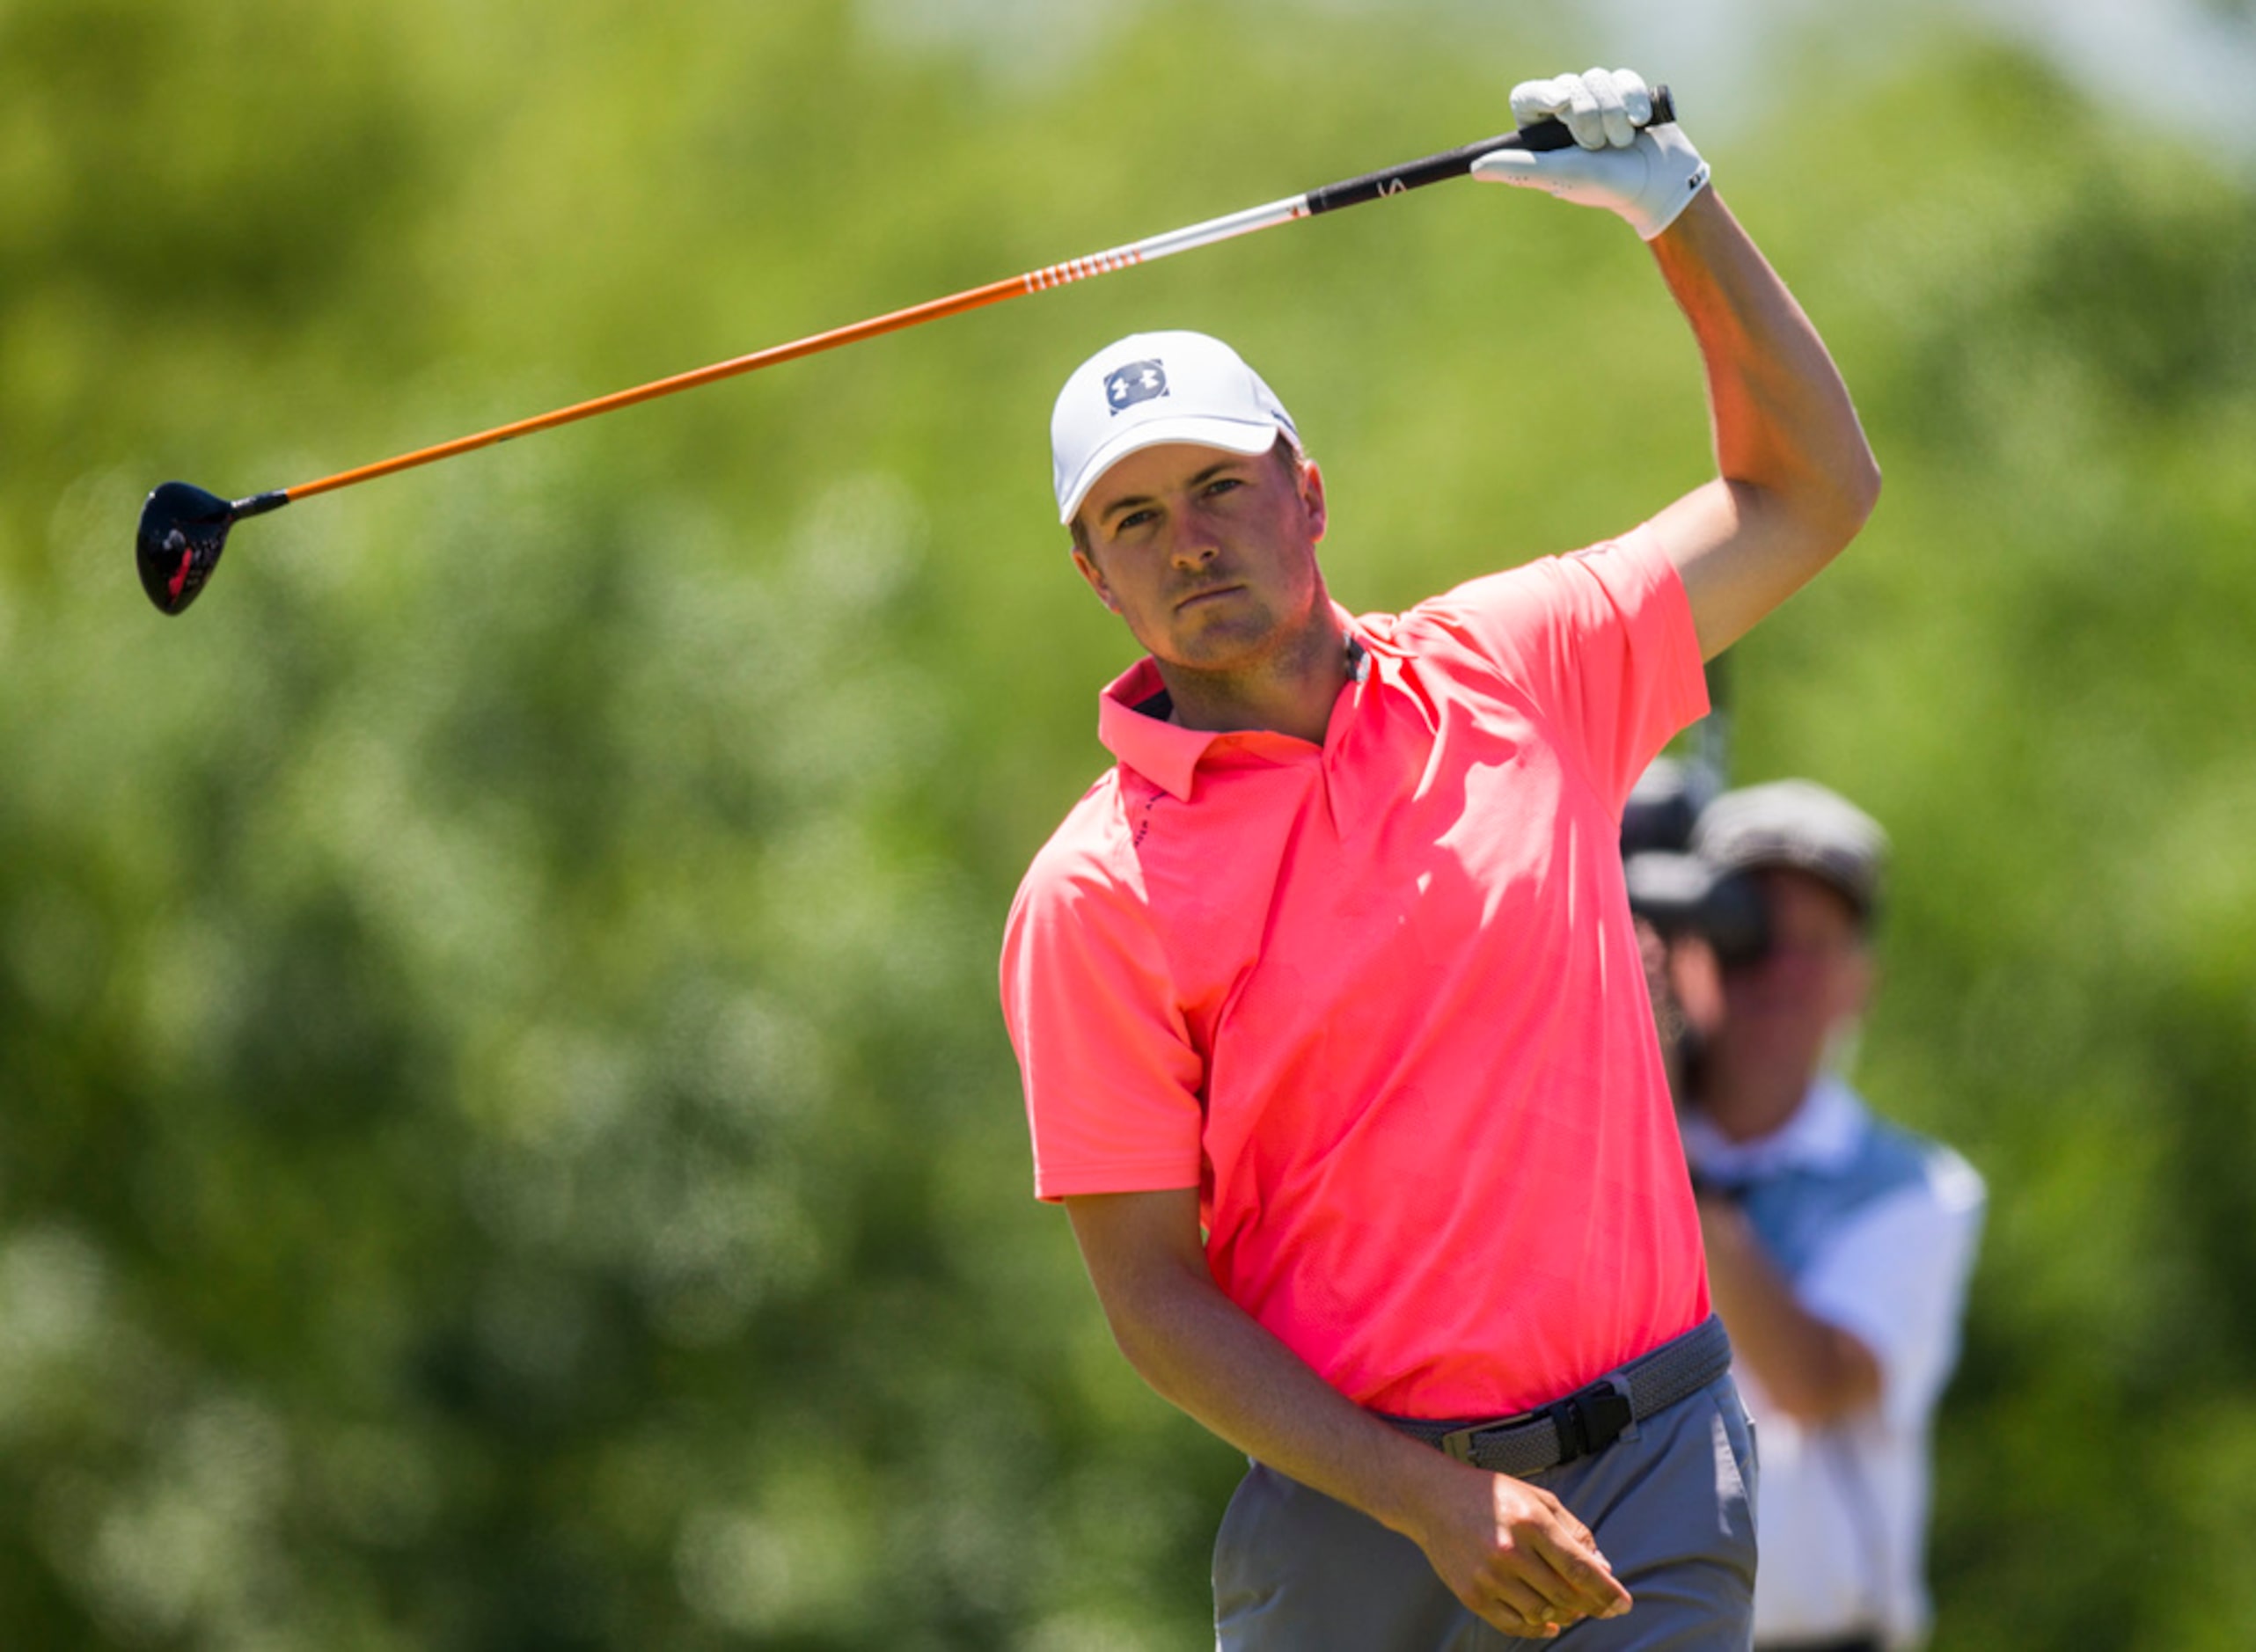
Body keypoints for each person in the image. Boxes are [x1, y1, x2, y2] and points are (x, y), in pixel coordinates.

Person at [999, 68, 1881, 1648]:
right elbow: (1149, 1293)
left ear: (1306, 491)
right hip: (1353, 1525)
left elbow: (1809, 489)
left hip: (1653, 1473)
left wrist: (1677, 213)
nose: (1187, 538)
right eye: (1130, 520)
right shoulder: (1092, 890)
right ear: (1090, 578)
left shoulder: (1521, 659)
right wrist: (1424, 1495)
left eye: (1216, 485)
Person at [1681, 782, 1985, 1652]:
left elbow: (1810, 1382)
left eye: (1814, 945)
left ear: (1860, 982)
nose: (1778, 971)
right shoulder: (1588, 1154)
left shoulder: (1916, 1190)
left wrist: (1672, 1173)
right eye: (1750, 937)